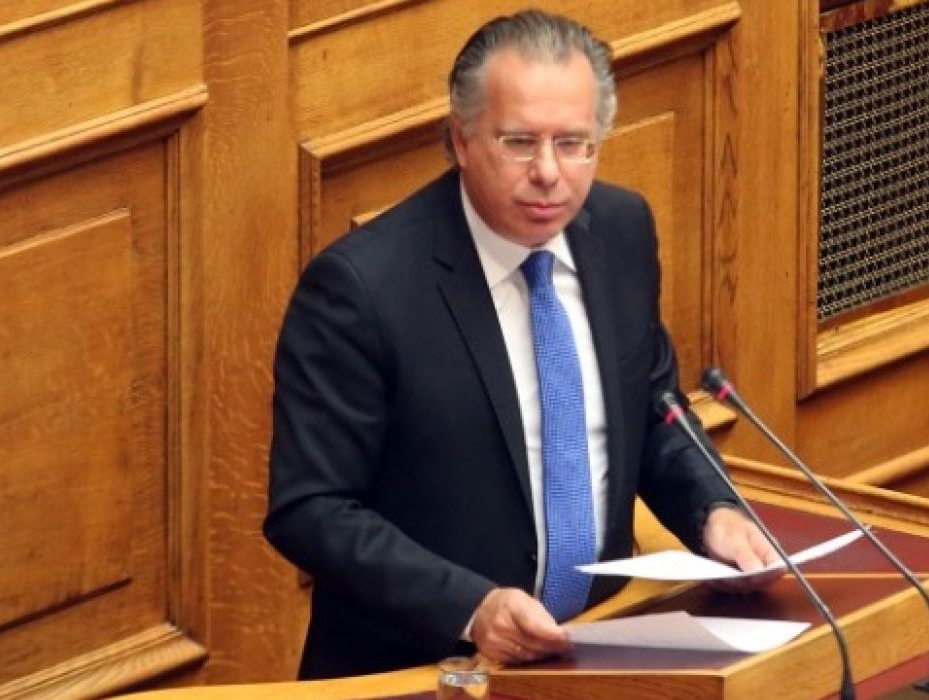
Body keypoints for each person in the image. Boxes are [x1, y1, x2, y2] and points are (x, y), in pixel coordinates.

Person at [264, 9, 780, 679]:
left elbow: (654, 408)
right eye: (519, 142)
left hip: (599, 652)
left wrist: (714, 511)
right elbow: (310, 509)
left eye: (574, 143)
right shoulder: (362, 289)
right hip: (426, 669)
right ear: (461, 139)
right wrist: (470, 607)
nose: (549, 172)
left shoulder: (621, 229)